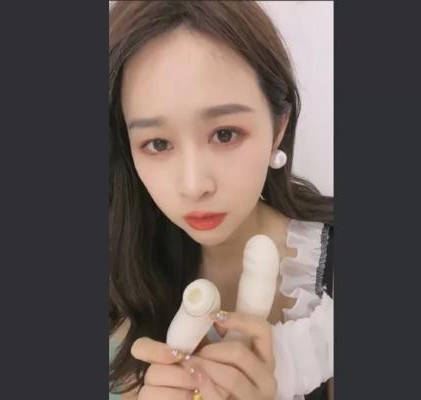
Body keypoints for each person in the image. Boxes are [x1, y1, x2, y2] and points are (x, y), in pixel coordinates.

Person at [108, 1, 334, 399]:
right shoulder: (120, 271)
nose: (194, 185)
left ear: (279, 127)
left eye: (225, 134)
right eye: (157, 143)